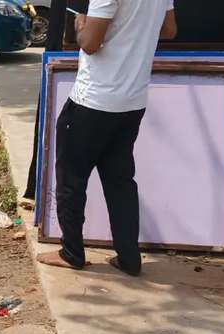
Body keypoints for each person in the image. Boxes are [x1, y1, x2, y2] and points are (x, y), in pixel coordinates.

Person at [36, 0, 177, 277]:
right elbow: (169, 30)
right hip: (132, 101)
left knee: (71, 179)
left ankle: (71, 253)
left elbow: (89, 43)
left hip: (94, 100)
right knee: (120, 181)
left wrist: (81, 26)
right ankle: (128, 258)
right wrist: (133, 31)